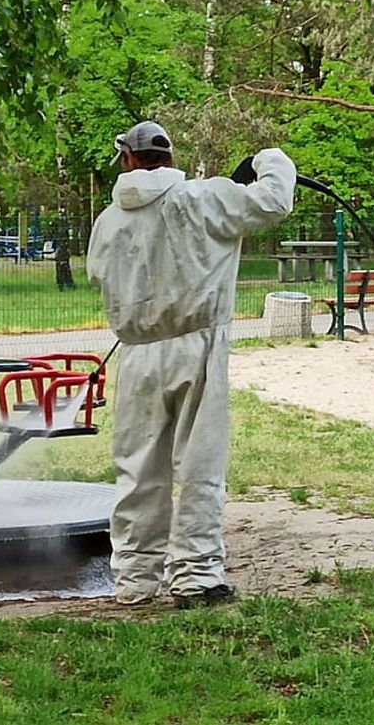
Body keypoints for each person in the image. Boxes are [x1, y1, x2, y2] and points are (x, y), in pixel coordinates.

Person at [87, 120, 296, 607]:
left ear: (128, 159)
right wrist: (269, 158)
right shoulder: (203, 199)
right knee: (199, 464)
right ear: (170, 157)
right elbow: (274, 200)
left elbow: (100, 272)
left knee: (139, 468)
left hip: (138, 353)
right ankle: (197, 577)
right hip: (197, 346)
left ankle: (135, 580)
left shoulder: (109, 220)